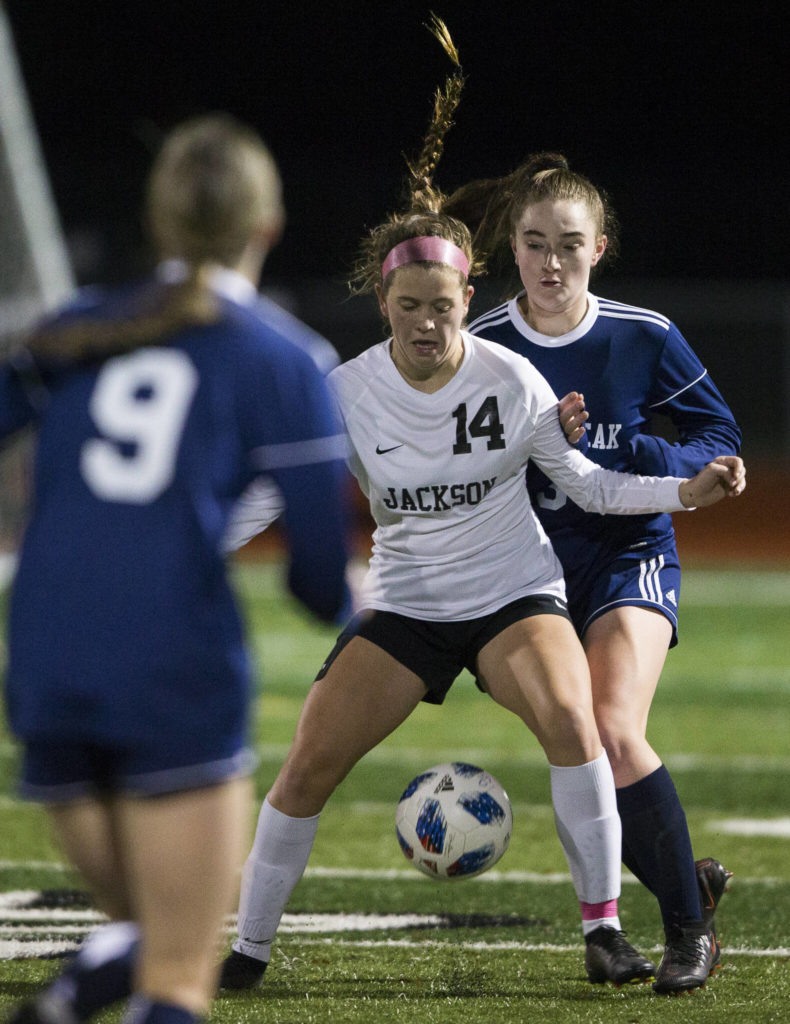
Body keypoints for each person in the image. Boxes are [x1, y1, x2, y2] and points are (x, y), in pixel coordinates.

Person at [218, 53, 745, 993]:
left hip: (530, 583)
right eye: (408, 306)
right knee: (306, 760)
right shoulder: (345, 389)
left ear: (471, 300)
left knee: (591, 727)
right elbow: (266, 494)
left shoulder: (522, 372)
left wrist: (677, 486)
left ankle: (621, 931)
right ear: (382, 302)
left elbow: (588, 480)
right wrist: (184, 542)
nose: (427, 323)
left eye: (443, 307)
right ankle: (245, 952)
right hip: (414, 604)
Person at [1, 113, 351, 1024]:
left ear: (159, 222)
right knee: (180, 978)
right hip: (169, 666)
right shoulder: (284, 359)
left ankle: (75, 992)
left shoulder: (74, 331)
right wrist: (364, 597)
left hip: (44, 662)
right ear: (265, 226)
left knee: (145, 929)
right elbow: (316, 584)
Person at [443, 152, 739, 993]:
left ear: (599, 248)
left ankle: (689, 933)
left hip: (628, 552)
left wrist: (654, 457)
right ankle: (685, 882)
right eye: (534, 243)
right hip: (524, 577)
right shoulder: (484, 345)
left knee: (610, 729)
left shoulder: (642, 335)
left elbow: (717, 438)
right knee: (583, 756)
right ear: (512, 246)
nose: (549, 262)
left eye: (568, 244)